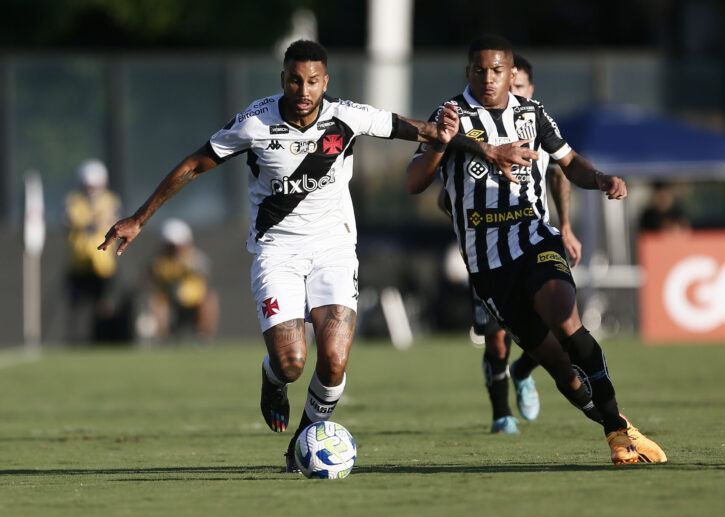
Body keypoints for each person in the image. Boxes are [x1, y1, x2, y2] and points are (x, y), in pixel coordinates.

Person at [98, 40, 533, 472]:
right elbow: (195, 164)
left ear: (324, 82)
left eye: (312, 81)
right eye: (294, 80)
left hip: (334, 249)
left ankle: (301, 444)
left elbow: (425, 131)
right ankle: (273, 380)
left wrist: (489, 150)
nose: (303, 90)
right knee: (291, 362)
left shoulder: (347, 115)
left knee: (335, 359)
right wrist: (139, 218)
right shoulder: (255, 122)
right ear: (282, 80)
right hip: (277, 252)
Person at [406, 35, 666, 465]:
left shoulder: (532, 114)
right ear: (468, 72)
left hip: (534, 238)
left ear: (512, 73)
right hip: (488, 264)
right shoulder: (449, 115)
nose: (488, 79)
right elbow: (414, 183)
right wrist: (439, 143)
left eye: (497, 71)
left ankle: (619, 437)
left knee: (568, 323)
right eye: (479, 70)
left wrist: (599, 178)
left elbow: (568, 163)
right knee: (561, 369)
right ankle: (616, 422)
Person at [469, 53, 584, 433]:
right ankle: (501, 414)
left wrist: (565, 226)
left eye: (515, 86)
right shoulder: (474, 127)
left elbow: (560, 172)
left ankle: (524, 370)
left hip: (533, 239)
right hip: (489, 249)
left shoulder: (535, 121)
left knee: (559, 326)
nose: (504, 91)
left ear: (526, 87)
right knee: (497, 338)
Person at [64, 158, 121, 343]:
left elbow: (113, 218)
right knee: (76, 304)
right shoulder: (74, 200)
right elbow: (70, 220)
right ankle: (75, 340)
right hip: (79, 262)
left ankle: (103, 338)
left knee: (103, 304)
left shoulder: (110, 200)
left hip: (103, 263)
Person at [147, 218, 219, 341]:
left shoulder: (196, 258)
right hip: (169, 300)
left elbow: (205, 274)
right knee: (157, 302)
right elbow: (148, 278)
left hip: (194, 300)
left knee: (209, 299)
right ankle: (162, 336)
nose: (173, 249)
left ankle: (204, 336)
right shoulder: (158, 261)